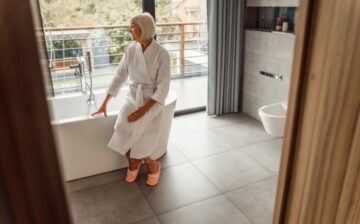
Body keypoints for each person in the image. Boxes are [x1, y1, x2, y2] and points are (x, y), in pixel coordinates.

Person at [92, 13, 170, 187]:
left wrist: (144, 110)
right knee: (121, 127)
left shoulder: (161, 54)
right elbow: (119, 77)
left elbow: (164, 87)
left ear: (144, 27)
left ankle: (151, 165)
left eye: (133, 26)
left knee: (140, 133)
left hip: (152, 101)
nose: (130, 30)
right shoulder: (130, 50)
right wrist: (104, 104)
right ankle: (136, 162)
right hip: (133, 97)